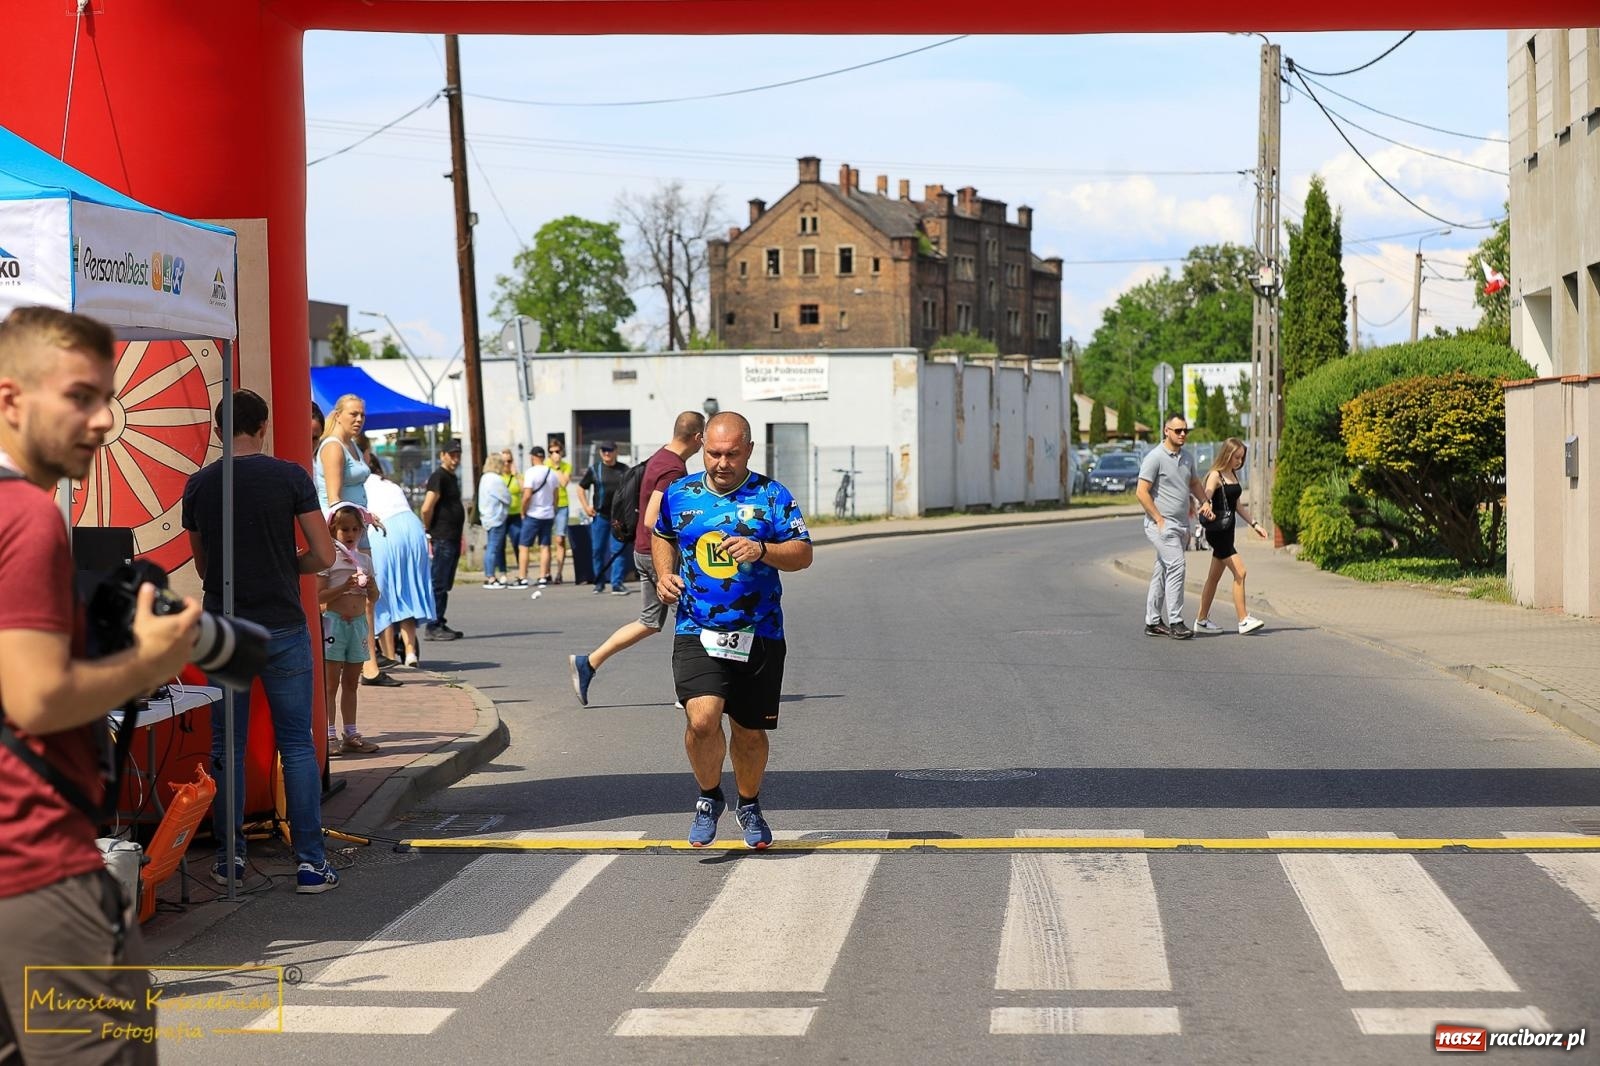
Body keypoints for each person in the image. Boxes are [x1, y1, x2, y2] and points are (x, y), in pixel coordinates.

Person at [0, 307, 202, 1064]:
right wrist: (147, 662)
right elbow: (36, 697)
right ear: (11, 399)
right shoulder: (26, 516)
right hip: (38, 871)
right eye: (79, 397)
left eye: (107, 397)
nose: (104, 420)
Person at [182, 388, 341, 894]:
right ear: (264, 427)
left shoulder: (199, 485)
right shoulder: (290, 477)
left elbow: (204, 567)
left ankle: (230, 858)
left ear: (218, 431)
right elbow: (324, 554)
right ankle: (311, 863)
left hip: (224, 626)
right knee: (296, 743)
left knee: (226, 746)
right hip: (283, 623)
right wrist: (286, 564)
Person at [651, 411, 812, 849]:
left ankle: (749, 803)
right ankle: (708, 798)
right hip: (696, 626)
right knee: (702, 720)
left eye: (732, 454)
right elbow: (662, 535)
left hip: (760, 631)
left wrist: (762, 550)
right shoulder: (679, 493)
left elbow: (803, 554)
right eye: (714, 453)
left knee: (748, 730)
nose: (722, 463)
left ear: (749, 451)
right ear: (703, 446)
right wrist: (663, 575)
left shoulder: (772, 496)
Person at [569, 412, 705, 705]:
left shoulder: (660, 457)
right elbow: (652, 519)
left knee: (650, 622)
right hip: (659, 554)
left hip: (643, 551)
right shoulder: (672, 469)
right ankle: (690, 691)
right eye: (704, 438)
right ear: (697, 438)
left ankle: (588, 663)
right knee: (693, 620)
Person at [314, 393, 398, 688]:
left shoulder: (352, 445)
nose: (359, 419)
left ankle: (365, 659)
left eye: (362, 414)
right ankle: (362, 663)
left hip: (356, 528)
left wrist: (366, 517)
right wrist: (358, 521)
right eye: (353, 414)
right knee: (347, 593)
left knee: (365, 593)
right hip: (343, 531)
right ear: (337, 415)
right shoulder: (333, 447)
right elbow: (334, 499)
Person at [1136, 414, 1214, 640]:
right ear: (1166, 431)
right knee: (1177, 566)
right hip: (1161, 525)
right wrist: (1159, 519)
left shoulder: (1187, 457)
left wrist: (1205, 502)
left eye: (1185, 431)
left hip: (1181, 524)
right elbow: (1141, 492)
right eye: (1178, 430)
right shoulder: (1155, 457)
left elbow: (1194, 483)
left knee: (1162, 570)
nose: (1182, 434)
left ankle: (1152, 621)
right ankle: (1176, 621)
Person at [318, 505, 381, 754]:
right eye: (344, 529)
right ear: (333, 530)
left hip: (358, 625)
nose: (351, 534)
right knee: (330, 684)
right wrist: (344, 587)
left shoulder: (364, 561)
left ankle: (351, 733)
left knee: (352, 683)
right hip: (334, 624)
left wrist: (371, 587)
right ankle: (328, 734)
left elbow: (374, 598)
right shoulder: (328, 559)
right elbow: (318, 596)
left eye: (355, 529)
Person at [1194, 437, 1268, 635]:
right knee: (1240, 572)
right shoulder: (1215, 475)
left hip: (1228, 532)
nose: (1239, 461)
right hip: (1218, 533)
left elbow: (1237, 505)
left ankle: (1201, 620)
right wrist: (1206, 505)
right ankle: (1243, 620)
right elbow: (1206, 495)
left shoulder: (1232, 474)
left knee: (1213, 578)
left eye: (1241, 458)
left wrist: (1255, 524)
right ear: (1227, 454)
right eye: (1236, 457)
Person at [365, 472, 435, 667]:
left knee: (382, 597)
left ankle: (389, 657)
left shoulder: (356, 483)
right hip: (412, 525)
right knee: (407, 592)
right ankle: (410, 651)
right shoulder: (388, 483)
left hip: (383, 529)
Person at [421, 440, 466, 640]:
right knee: (438, 582)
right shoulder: (438, 477)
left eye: (458, 455)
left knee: (445, 583)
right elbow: (427, 507)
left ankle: (440, 620)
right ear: (442, 455)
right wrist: (428, 528)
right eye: (452, 455)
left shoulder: (451, 477)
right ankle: (433, 625)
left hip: (452, 536)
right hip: (442, 536)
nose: (455, 459)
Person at [579, 441, 631, 595]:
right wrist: (586, 506)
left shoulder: (624, 470)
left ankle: (617, 583)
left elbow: (632, 489)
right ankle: (599, 583)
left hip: (618, 517)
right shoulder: (595, 469)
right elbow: (581, 487)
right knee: (597, 550)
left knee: (618, 550)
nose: (607, 453)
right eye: (604, 450)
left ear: (616, 451)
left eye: (610, 450)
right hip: (600, 515)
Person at [517, 445, 562, 589]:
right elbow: (556, 495)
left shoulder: (531, 472)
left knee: (524, 546)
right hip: (548, 513)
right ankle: (543, 576)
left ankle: (522, 576)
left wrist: (523, 510)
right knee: (545, 546)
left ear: (533, 457)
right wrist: (553, 509)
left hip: (533, 513)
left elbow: (527, 495)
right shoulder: (552, 472)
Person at [478, 453, 513, 589]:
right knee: (493, 547)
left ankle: (491, 574)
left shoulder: (484, 478)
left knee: (491, 546)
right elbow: (506, 497)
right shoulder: (496, 479)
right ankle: (491, 576)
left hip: (486, 516)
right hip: (496, 517)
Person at [545, 439, 573, 584]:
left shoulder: (566, 466)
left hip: (562, 505)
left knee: (560, 539)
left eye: (557, 451)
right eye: (551, 452)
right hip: (547, 505)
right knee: (545, 540)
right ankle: (546, 572)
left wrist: (556, 467)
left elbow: (563, 482)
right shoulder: (544, 465)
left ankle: (559, 573)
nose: (554, 454)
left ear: (561, 452)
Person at [499, 447, 523, 587]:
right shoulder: (498, 477)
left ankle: (522, 571)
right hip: (502, 515)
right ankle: (502, 572)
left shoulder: (516, 476)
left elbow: (523, 489)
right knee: (500, 544)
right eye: (504, 461)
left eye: (509, 461)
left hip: (515, 514)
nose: (507, 464)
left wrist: (516, 474)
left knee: (518, 541)